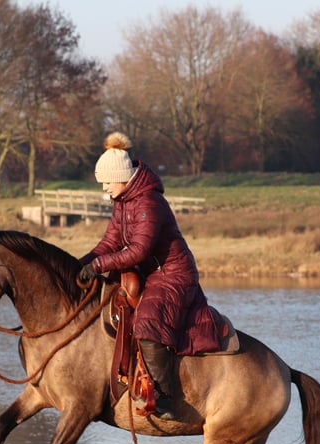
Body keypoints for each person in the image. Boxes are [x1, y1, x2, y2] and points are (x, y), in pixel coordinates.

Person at [77, 132, 221, 420]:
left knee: (146, 322)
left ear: (121, 177)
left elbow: (139, 251)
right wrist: (82, 262)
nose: (104, 187)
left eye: (107, 181)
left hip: (173, 275)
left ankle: (164, 396)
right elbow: (110, 241)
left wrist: (100, 265)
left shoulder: (148, 202)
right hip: (150, 274)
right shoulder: (123, 201)